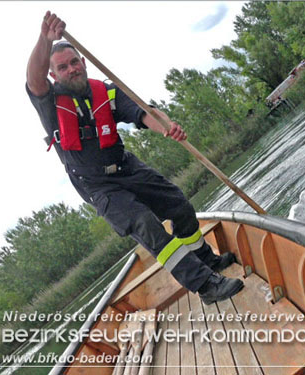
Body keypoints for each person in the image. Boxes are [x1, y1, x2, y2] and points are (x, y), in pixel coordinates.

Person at [25, 11, 243, 304]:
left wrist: (166, 127)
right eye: (63, 67)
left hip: (126, 167)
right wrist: (44, 38)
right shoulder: (49, 103)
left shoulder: (107, 92)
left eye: (75, 62)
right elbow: (33, 78)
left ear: (83, 62)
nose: (72, 69)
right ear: (54, 75)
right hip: (98, 187)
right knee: (145, 223)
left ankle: (206, 259)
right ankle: (205, 285)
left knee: (178, 204)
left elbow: (144, 112)